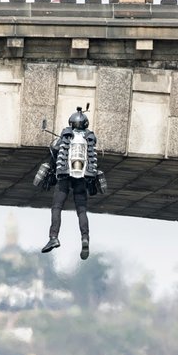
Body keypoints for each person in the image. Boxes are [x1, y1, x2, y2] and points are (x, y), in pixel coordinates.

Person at [35, 107, 104, 260]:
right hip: (82, 179)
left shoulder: (66, 135)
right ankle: (85, 239)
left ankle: (54, 237)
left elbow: (54, 151)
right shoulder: (90, 138)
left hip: (64, 177)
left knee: (57, 207)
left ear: (71, 123)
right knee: (81, 210)